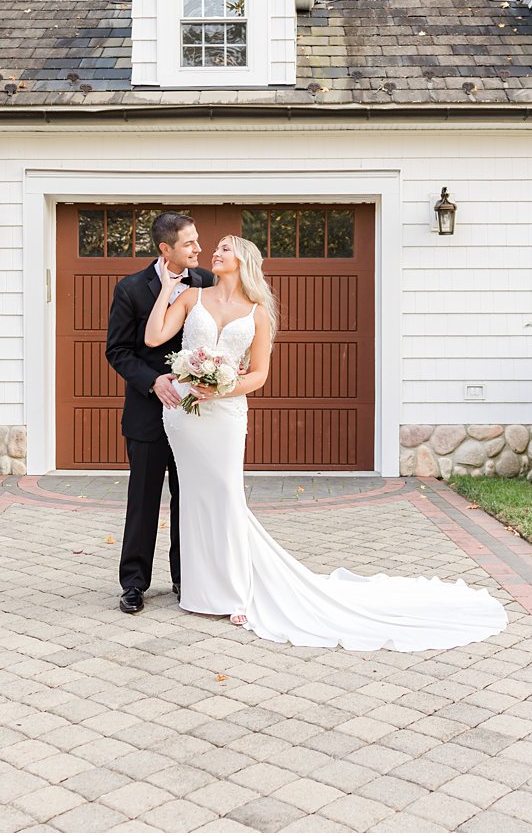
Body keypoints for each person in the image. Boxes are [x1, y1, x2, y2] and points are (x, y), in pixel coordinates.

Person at [145, 235, 509, 651]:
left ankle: (236, 592)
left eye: (225, 248)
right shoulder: (191, 297)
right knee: (192, 497)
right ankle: (201, 593)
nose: (216, 252)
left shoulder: (258, 312)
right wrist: (167, 293)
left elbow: (259, 374)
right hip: (185, 414)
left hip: (225, 412)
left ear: (243, 259)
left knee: (227, 495)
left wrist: (222, 389)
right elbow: (155, 338)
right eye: (217, 248)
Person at [105, 212, 215, 615]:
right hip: (147, 415)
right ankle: (134, 583)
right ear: (165, 248)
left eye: (199, 241)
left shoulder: (206, 283)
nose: (199, 249)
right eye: (190, 244)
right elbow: (117, 351)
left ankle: (187, 578)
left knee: (189, 500)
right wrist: (153, 381)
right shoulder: (131, 288)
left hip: (195, 416)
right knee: (143, 501)